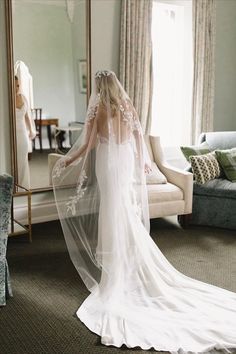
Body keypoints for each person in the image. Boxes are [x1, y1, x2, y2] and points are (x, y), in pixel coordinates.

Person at [53, 71, 236, 354]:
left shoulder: (97, 110)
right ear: (116, 86)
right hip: (124, 161)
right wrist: (143, 164)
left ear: (99, 88)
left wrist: (68, 159)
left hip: (107, 161)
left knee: (112, 210)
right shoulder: (127, 106)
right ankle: (128, 258)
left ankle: (117, 265)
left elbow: (88, 145)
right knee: (122, 209)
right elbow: (138, 138)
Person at [15, 76, 35, 189]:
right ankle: (14, 185)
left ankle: (23, 185)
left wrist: (31, 129)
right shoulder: (7, 98)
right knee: (14, 159)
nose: (17, 87)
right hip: (12, 134)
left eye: (18, 85)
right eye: (15, 85)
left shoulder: (23, 97)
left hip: (22, 133)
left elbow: (27, 116)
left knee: (23, 159)